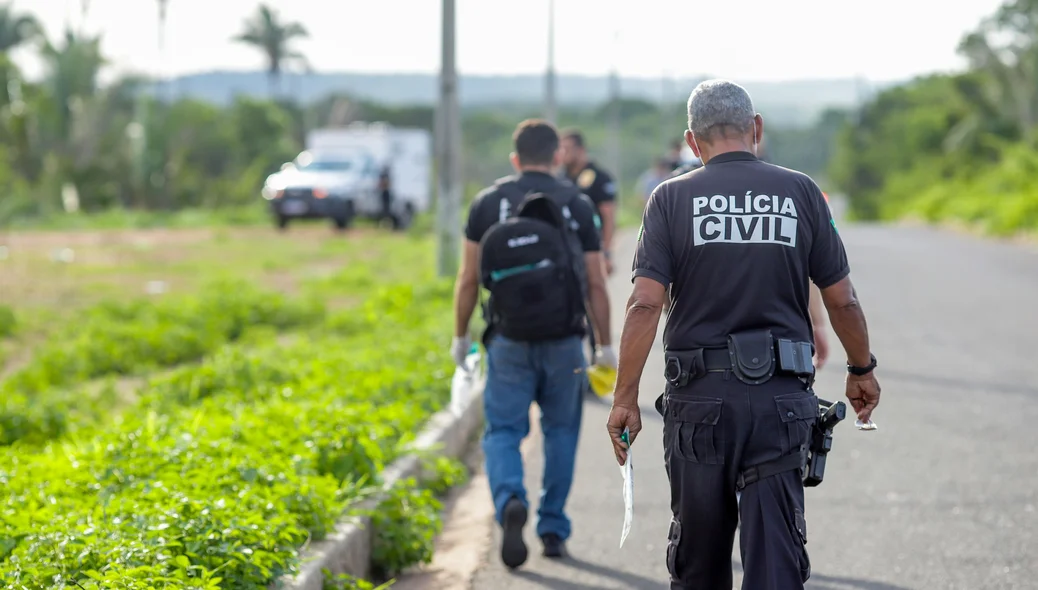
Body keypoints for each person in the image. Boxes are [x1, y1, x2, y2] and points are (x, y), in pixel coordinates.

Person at [605, 79, 881, 590]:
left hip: (698, 406)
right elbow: (843, 298)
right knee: (776, 565)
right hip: (780, 403)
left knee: (698, 565)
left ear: (693, 141)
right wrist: (861, 369)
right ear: (756, 128)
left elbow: (645, 302)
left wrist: (624, 399)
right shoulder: (801, 192)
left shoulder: (669, 198)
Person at [451, 119, 616, 569]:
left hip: (507, 339)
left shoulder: (488, 204)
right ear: (558, 156)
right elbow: (597, 283)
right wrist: (604, 346)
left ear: (515, 158)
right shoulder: (577, 204)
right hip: (565, 341)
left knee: (504, 430)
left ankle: (509, 502)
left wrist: (461, 337)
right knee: (561, 432)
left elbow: (468, 280)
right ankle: (553, 529)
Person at [559, 129, 618, 276]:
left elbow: (608, 216)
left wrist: (606, 253)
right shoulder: (560, 179)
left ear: (581, 150)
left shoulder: (599, 177)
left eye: (567, 149)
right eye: (560, 149)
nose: (562, 153)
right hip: (567, 252)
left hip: (591, 250)